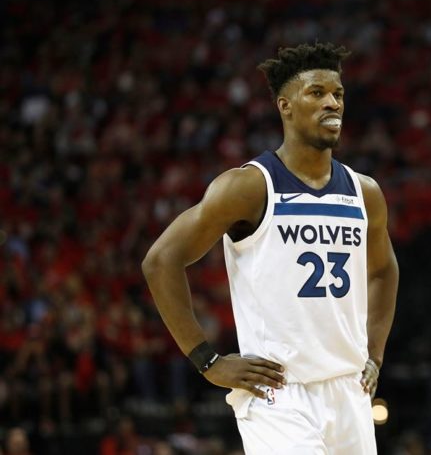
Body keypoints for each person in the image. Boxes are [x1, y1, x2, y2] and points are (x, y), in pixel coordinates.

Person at [142, 42, 399, 454]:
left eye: (338, 94)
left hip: (349, 388)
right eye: (317, 92)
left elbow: (384, 269)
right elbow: (161, 261)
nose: (332, 103)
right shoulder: (248, 186)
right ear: (285, 106)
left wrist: (375, 355)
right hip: (279, 393)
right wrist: (207, 360)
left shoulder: (364, 192)